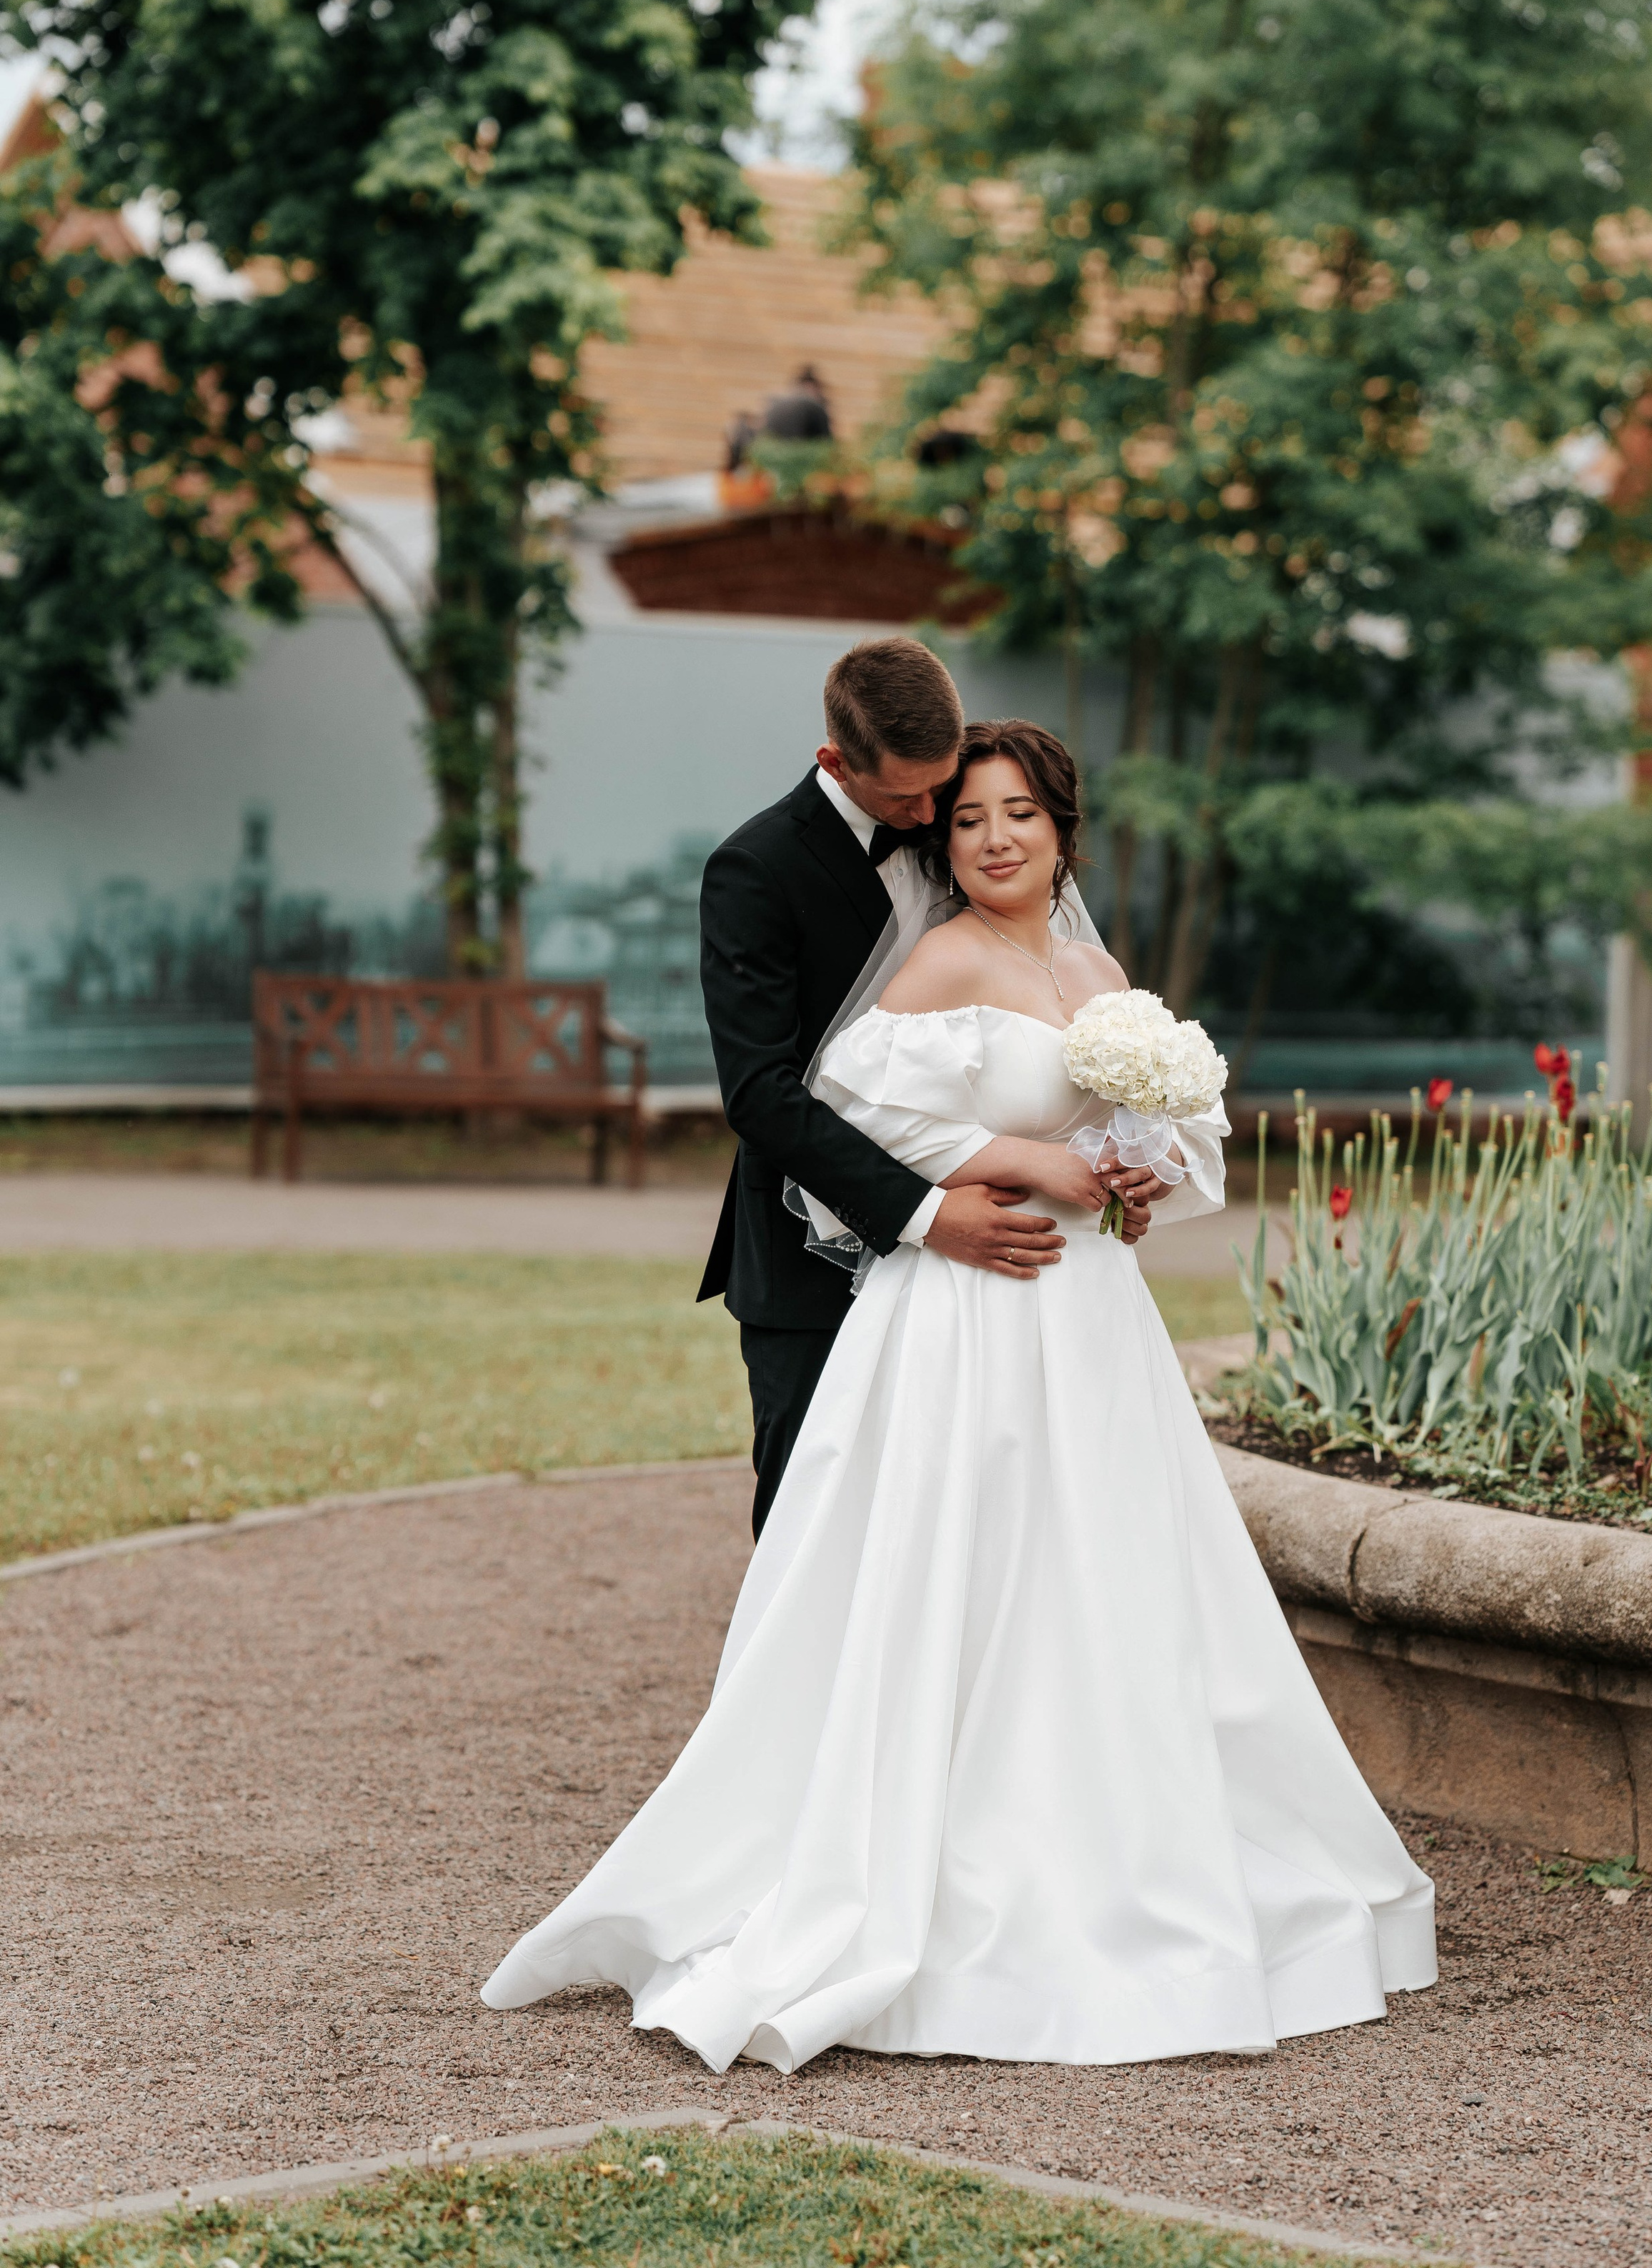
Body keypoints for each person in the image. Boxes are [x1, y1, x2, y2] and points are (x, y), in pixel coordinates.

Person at [481, 717, 1436, 2069]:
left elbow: (1162, 1130)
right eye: (970, 818)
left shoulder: (1099, 970)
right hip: (967, 1314)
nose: (992, 839)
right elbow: (845, 1110)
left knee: (1101, 1574)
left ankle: (1120, 1840)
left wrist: (1134, 1175)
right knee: (960, 1569)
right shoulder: (936, 960)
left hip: (1091, 1322)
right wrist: (1008, 1165)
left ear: (1063, 833)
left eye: (1019, 818)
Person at [694, 637, 1108, 1537]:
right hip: (812, 1253)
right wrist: (925, 1212)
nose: (933, 814)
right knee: (816, 1516)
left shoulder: (959, 832)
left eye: (943, 788)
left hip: (994, 1277)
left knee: (966, 1522)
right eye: (907, 797)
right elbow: (761, 1093)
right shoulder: (755, 870)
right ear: (833, 762)